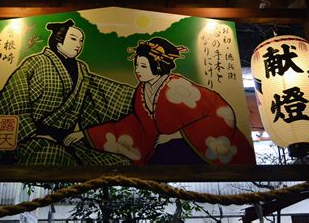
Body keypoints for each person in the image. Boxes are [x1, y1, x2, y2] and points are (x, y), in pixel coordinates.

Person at [64, 37, 255, 165]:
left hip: (203, 146)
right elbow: (135, 125)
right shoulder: (143, 90)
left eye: (143, 66)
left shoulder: (177, 86)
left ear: (157, 66)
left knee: (164, 154)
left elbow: (219, 111)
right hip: (174, 146)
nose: (138, 70)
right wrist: (87, 133)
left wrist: (176, 134)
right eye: (137, 65)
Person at [0, 19, 135, 165]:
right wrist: (34, 133)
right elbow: (16, 99)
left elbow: (102, 90)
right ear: (58, 41)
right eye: (73, 39)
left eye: (80, 41)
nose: (78, 44)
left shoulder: (81, 70)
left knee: (118, 163)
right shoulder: (36, 62)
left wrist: (139, 96)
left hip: (66, 140)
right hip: (32, 138)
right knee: (51, 157)